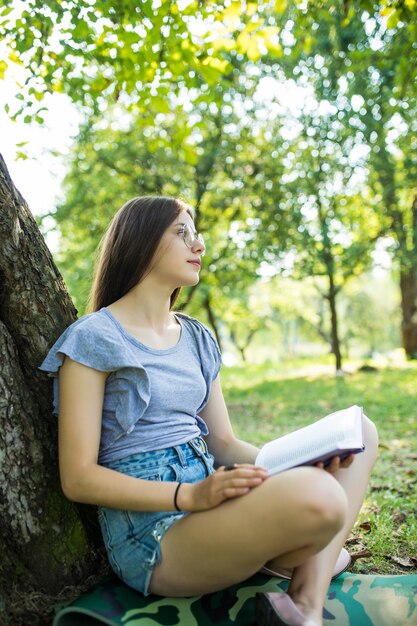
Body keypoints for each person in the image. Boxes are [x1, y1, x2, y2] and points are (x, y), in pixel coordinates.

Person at [40, 196, 378, 626]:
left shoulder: (197, 337)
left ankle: (304, 606)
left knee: (360, 433)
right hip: (156, 538)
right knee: (324, 501)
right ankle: (305, 559)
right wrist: (189, 496)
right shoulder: (93, 339)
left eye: (196, 233)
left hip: (217, 506)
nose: (198, 245)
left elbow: (223, 443)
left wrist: (302, 463)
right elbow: (78, 477)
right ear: (139, 242)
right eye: (182, 233)